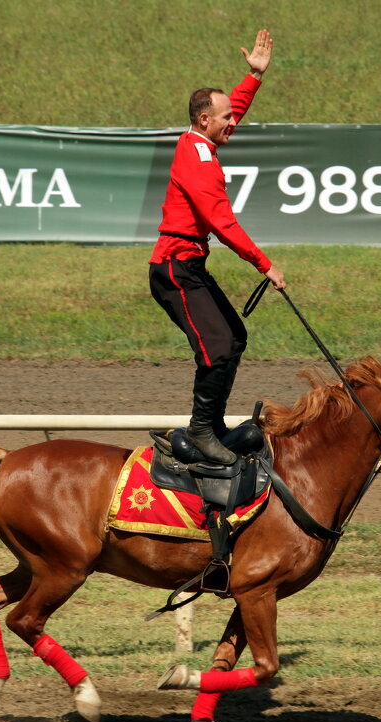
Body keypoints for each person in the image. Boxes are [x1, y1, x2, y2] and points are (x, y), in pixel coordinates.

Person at [149, 29, 287, 465]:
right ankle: (201, 432)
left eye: (233, 115)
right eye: (226, 117)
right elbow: (221, 222)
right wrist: (263, 264)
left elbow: (232, 110)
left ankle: (213, 428)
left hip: (190, 266)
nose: (234, 122)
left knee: (234, 337)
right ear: (205, 120)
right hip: (174, 271)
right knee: (217, 348)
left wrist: (253, 77)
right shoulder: (200, 160)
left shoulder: (200, 141)